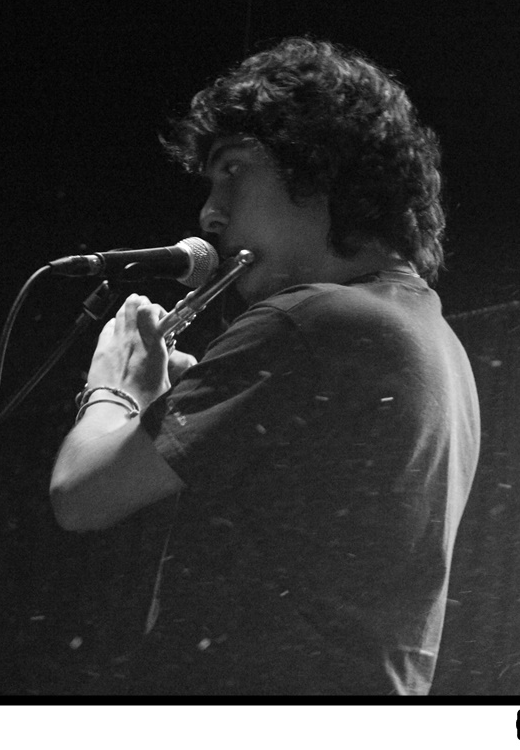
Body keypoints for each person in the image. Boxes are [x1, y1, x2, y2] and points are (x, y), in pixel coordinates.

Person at [50, 36, 479, 695]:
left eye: (234, 169)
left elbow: (81, 494)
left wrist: (115, 387)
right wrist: (192, 401)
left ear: (319, 164)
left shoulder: (308, 320)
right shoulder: (430, 336)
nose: (209, 212)